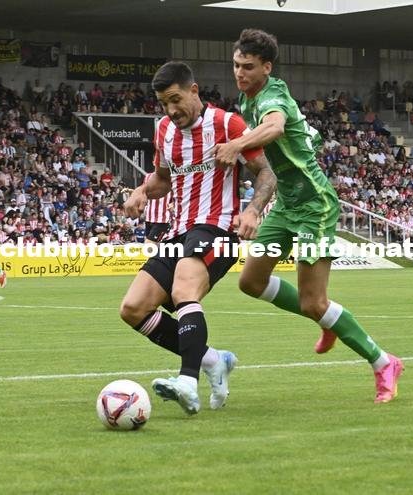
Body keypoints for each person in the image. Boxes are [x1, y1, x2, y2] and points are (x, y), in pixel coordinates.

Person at [213, 28, 403, 404]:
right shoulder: (247, 99)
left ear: (267, 67)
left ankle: (383, 362)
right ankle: (325, 317)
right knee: (250, 282)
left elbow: (276, 125)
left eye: (248, 67)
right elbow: (297, 135)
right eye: (236, 65)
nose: (240, 73)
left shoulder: (271, 95)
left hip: (315, 205)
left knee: (313, 301)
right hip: (287, 205)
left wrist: (237, 144)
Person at [120, 61, 276, 415]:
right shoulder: (164, 130)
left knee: (183, 290)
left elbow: (266, 174)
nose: (171, 110)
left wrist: (252, 210)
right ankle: (211, 360)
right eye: (163, 103)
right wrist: (142, 191)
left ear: (194, 90)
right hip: (180, 230)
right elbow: (162, 180)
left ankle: (187, 382)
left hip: (217, 228)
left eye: (175, 99)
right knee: (133, 308)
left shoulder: (227, 124)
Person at [142, 171, 172, 244]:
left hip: (162, 219)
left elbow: (178, 193)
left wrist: (173, 203)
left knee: (149, 244)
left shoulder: (172, 177)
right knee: (154, 246)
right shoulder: (148, 176)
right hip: (149, 218)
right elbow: (143, 192)